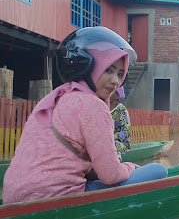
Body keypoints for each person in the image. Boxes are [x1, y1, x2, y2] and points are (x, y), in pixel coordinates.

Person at [3, 26, 168, 205]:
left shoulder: (58, 98)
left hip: (13, 198)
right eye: (108, 70)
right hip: (55, 200)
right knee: (159, 171)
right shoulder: (94, 106)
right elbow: (111, 175)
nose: (115, 80)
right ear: (90, 68)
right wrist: (129, 167)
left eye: (120, 73)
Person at [110, 86, 131, 161]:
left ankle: (116, 165)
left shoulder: (121, 110)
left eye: (111, 91)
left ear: (117, 96)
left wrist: (113, 137)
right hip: (106, 140)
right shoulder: (103, 107)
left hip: (120, 143)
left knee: (114, 144)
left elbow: (126, 131)